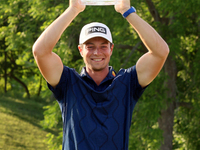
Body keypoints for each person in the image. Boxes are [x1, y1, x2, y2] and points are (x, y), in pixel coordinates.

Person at [32, 0, 169, 149]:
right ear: (80, 50)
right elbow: (40, 51)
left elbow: (161, 52)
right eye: (90, 47)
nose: (97, 52)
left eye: (103, 46)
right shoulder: (67, 83)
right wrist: (73, 10)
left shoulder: (127, 83)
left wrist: (127, 12)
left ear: (111, 49)